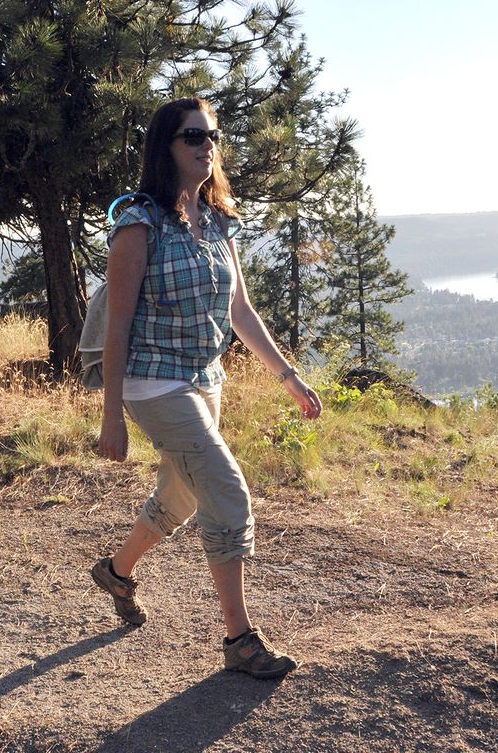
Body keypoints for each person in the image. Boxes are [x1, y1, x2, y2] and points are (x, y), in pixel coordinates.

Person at [92, 97, 324, 680]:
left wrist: (288, 376)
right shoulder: (138, 223)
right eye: (194, 136)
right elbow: (117, 324)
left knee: (184, 495)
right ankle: (240, 640)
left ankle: (116, 572)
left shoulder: (218, 220)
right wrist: (111, 413)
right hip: (151, 383)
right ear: (165, 146)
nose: (207, 145)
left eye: (212, 136)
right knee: (228, 493)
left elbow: (240, 310)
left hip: (203, 379)